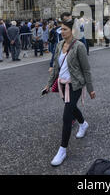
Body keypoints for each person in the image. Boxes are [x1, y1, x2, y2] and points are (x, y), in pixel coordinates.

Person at [42, 19, 96, 167]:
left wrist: (90, 88)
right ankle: (83, 124)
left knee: (67, 116)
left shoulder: (79, 46)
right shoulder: (59, 45)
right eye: (61, 29)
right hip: (62, 84)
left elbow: (86, 69)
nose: (62, 31)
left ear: (72, 31)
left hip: (76, 85)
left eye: (65, 29)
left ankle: (62, 150)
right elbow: (55, 67)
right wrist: (48, 85)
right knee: (71, 107)